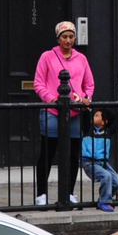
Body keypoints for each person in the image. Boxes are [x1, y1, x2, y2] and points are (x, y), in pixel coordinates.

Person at [33, 20, 95, 205]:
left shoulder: (81, 58)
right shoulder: (47, 57)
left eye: (71, 36)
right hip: (53, 111)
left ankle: (68, 192)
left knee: (72, 154)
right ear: (58, 38)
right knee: (48, 152)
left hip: (75, 112)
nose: (68, 40)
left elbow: (89, 84)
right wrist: (51, 98)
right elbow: (38, 83)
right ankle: (41, 194)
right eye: (64, 37)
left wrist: (86, 98)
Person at [81, 108, 118, 213]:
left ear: (104, 122)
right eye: (94, 115)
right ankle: (105, 201)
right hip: (89, 162)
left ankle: (102, 199)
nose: (94, 117)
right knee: (106, 176)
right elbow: (85, 119)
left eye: (97, 116)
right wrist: (85, 110)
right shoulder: (88, 130)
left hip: (103, 163)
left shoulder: (107, 132)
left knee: (117, 182)